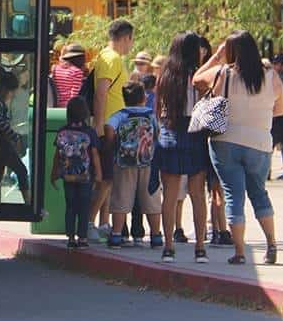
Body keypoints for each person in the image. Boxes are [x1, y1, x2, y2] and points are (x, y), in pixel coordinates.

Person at [195, 30, 283, 265]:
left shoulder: (224, 73)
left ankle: (240, 252)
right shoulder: (271, 76)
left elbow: (196, 78)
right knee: (259, 193)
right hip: (259, 143)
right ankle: (272, 244)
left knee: (233, 196)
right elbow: (280, 110)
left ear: (231, 52)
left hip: (225, 141)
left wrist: (217, 56)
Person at [154, 31, 210, 263]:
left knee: (170, 195)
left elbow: (159, 109)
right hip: (194, 132)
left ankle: (168, 247)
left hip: (169, 131)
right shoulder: (197, 77)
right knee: (198, 194)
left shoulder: (164, 76)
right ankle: (199, 248)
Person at [89, 19, 135, 241]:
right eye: (131, 40)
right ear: (125, 38)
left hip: (111, 124)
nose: (131, 46)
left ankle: (104, 222)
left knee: (109, 177)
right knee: (106, 178)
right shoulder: (111, 58)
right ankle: (89, 222)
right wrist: (99, 124)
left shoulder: (106, 57)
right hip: (108, 126)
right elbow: (101, 93)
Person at [105, 81, 163, 249]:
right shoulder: (151, 115)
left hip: (124, 162)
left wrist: (112, 143)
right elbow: (158, 132)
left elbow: (109, 127)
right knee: (151, 198)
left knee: (121, 197)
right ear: (144, 98)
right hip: (148, 162)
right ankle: (155, 235)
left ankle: (116, 235)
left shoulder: (121, 114)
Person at [50, 96, 102, 248]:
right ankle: (83, 238)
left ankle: (71, 237)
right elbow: (94, 154)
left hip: (68, 177)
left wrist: (54, 174)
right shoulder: (90, 132)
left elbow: (57, 156)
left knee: (70, 206)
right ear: (86, 113)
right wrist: (98, 174)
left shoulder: (62, 131)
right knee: (84, 206)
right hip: (85, 177)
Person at [0, 68, 30, 203]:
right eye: (11, 93)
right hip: (2, 143)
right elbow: (0, 123)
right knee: (21, 170)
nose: (11, 96)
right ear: (5, 90)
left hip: (1, 143)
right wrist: (15, 137)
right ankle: (27, 201)